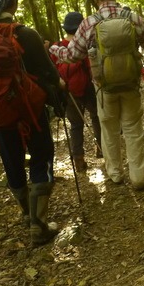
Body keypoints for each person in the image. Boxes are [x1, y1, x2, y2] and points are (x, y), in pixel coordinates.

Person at [48, 0, 144, 190]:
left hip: (104, 88)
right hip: (131, 85)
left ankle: (115, 174)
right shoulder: (133, 18)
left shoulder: (89, 23)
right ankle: (139, 177)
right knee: (132, 128)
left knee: (109, 128)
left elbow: (72, 55)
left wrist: (53, 49)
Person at [0, 0, 62, 247]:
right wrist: (59, 93)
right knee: (41, 157)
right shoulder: (24, 34)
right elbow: (48, 72)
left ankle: (27, 214)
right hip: (29, 111)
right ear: (13, 2)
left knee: (12, 163)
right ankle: (38, 225)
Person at [51, 11, 102, 173]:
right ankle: (101, 148)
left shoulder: (57, 47)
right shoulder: (85, 45)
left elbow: (53, 71)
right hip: (88, 87)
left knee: (75, 125)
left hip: (67, 91)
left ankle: (78, 159)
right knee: (96, 117)